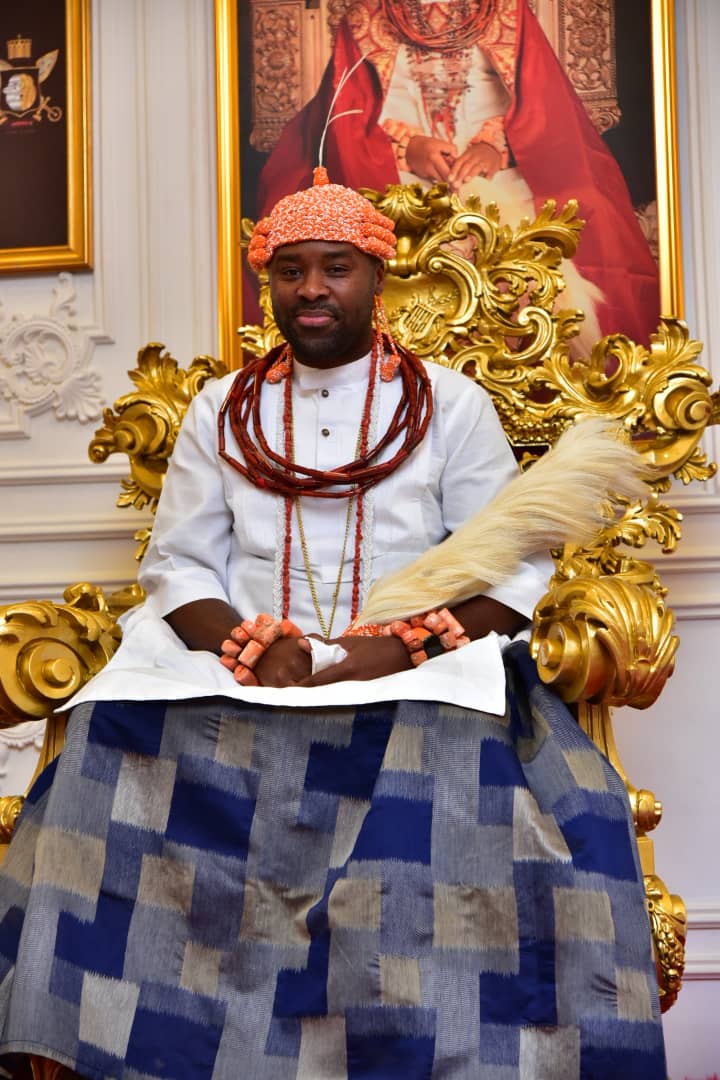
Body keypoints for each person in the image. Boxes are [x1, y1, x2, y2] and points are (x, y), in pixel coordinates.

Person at [0, 170, 666, 1079]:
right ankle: (141, 1029)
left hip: (416, 657)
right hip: (241, 657)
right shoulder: (220, 407)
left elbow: (512, 564)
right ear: (268, 284)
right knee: (112, 737)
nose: (311, 289)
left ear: (375, 281)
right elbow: (179, 561)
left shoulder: (450, 405)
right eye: (289, 271)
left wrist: (381, 651)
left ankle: (437, 1044)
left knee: (467, 750)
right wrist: (247, 643)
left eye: (335, 268)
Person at [257, 0, 660, 351]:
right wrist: (407, 146)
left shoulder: (505, 11)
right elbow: (347, 114)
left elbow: (539, 104)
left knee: (559, 236)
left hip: (498, 167)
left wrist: (493, 145)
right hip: (392, 171)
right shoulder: (367, 16)